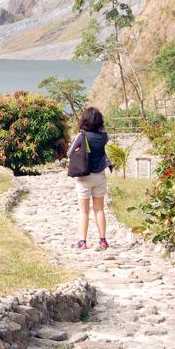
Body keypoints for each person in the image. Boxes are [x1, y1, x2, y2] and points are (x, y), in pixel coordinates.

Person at [70, 107, 112, 250]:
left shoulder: (82, 136)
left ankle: (83, 242)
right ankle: (103, 241)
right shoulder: (104, 136)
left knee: (84, 211)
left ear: (85, 120)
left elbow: (70, 153)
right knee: (99, 209)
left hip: (84, 177)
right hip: (100, 176)